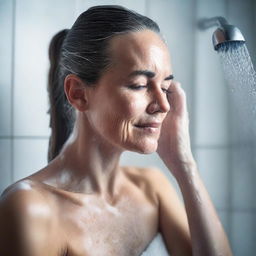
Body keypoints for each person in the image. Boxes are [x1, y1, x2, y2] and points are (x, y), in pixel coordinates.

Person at [0, 5, 232, 256]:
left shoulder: (151, 189)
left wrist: (184, 164)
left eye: (165, 87)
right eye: (139, 85)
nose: (164, 105)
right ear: (78, 94)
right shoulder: (29, 208)